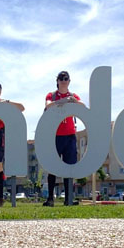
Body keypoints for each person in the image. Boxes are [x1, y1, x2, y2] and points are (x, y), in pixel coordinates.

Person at [43, 71, 83, 206]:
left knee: (69, 168)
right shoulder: (52, 95)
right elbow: (48, 105)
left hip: (70, 135)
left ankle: (68, 198)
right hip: (55, 135)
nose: (63, 81)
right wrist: (65, 101)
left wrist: (74, 101)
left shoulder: (74, 95)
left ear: (69, 81)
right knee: (52, 167)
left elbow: (83, 107)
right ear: (57, 81)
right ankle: (50, 199)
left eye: (66, 79)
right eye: (61, 78)